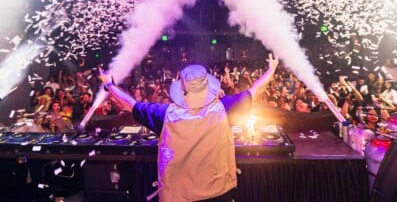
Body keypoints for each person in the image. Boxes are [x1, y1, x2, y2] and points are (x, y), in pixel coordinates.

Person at [99, 54, 279, 202]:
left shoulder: (166, 114)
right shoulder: (223, 109)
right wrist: (271, 70)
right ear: (207, 87)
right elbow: (254, 92)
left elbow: (131, 105)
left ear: (182, 90)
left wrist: (109, 85)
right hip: (219, 193)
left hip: (177, 196)